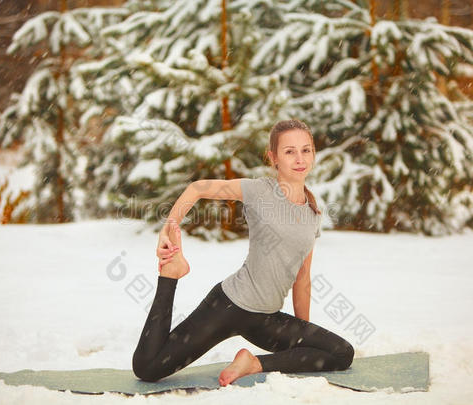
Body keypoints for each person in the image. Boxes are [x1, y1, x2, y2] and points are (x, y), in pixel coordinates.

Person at [132, 119, 354, 386]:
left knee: (342, 353)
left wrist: (301, 339)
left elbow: (302, 278)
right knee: (148, 368)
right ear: (273, 157)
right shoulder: (259, 190)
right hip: (228, 306)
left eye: (306, 150)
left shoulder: (312, 214)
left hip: (267, 319)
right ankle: (170, 276)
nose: (299, 159)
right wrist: (170, 226)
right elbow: (198, 189)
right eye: (289, 151)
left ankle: (253, 363)